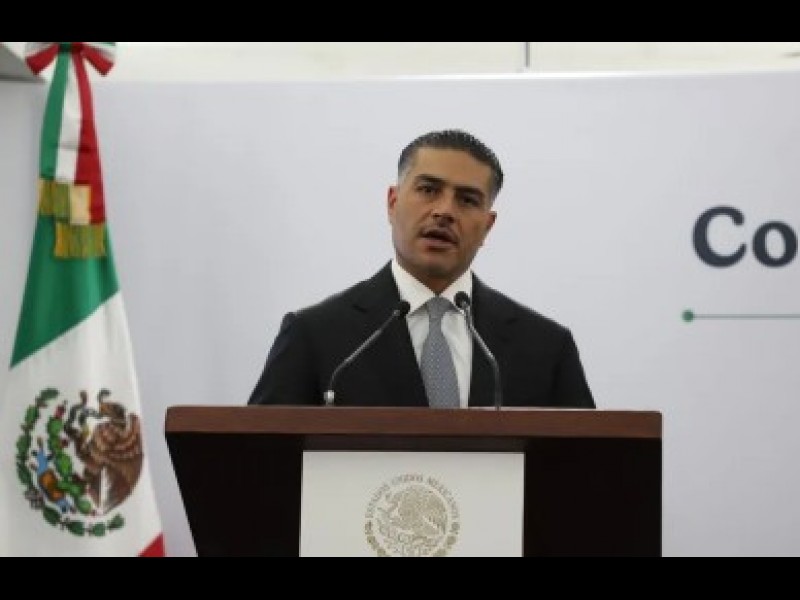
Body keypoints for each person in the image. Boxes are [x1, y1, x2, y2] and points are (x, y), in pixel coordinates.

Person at [248, 129, 595, 409]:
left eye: (467, 200)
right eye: (428, 190)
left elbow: (586, 466)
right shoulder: (316, 336)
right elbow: (260, 457)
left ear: (487, 227)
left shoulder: (545, 347)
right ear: (392, 203)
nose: (444, 211)